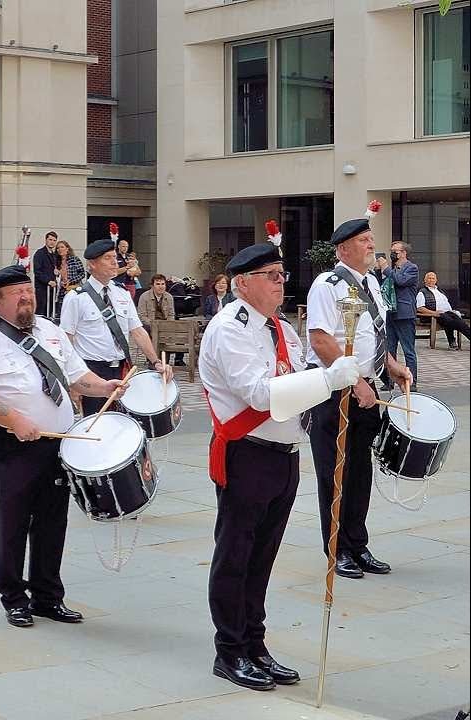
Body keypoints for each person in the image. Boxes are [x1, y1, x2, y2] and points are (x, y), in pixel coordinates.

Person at [199, 243, 360, 691]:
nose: (280, 281)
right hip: (247, 453)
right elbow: (260, 394)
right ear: (242, 283)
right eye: (270, 274)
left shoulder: (281, 327)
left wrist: (336, 377)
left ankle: (255, 643)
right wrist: (328, 379)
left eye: (281, 273)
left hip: (283, 453)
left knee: (263, 557)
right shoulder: (228, 328)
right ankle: (230, 650)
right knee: (236, 555)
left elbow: (298, 378)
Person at [0, 265, 126, 629]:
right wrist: (14, 419)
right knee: (14, 525)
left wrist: (105, 386)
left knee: (53, 523)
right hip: (11, 447)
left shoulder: (49, 331)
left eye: (29, 291)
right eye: (17, 293)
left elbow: (78, 376)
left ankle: (48, 597)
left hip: (57, 446)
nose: (26, 297)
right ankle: (15, 598)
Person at [305, 216, 412, 580]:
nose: (371, 245)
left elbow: (374, 337)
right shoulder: (327, 284)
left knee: (360, 472)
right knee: (336, 473)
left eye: (370, 239)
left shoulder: (371, 283)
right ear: (343, 248)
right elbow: (321, 340)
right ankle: (337, 550)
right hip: (335, 391)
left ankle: (357, 543)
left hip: (367, 386)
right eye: (364, 240)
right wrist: (354, 382)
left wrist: (392, 367)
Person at [59, 238, 172, 415]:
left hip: (121, 369)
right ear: (92, 264)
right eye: (107, 258)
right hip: (92, 371)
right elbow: (66, 340)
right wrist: (72, 380)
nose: (114, 262)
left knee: (123, 423)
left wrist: (156, 361)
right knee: (97, 423)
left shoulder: (122, 293)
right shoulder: (76, 297)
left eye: (115, 257)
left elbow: (138, 331)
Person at [382, 241, 419, 390]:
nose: (393, 254)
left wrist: (385, 269)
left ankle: (412, 381)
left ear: (403, 253)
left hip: (404, 314)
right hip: (390, 312)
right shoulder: (393, 268)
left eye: (395, 251)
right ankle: (390, 381)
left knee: (408, 349)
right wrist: (381, 270)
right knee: (390, 349)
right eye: (391, 251)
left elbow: (400, 281)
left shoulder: (411, 268)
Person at [136, 274, 185, 366]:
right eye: (158, 284)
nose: (161, 286)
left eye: (163, 284)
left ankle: (177, 359)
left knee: (180, 331)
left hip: (165, 324)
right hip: (150, 324)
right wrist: (153, 324)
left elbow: (171, 314)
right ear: (152, 285)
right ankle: (152, 359)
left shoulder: (169, 297)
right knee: (149, 331)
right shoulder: (144, 296)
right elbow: (142, 316)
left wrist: (167, 324)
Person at [417, 271, 469, 348]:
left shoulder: (440, 292)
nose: (431, 280)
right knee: (450, 320)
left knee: (459, 320)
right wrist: (434, 313)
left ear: (436, 280)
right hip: (433, 315)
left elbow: (446, 304)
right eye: (429, 278)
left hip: (447, 313)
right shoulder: (422, 293)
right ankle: (452, 341)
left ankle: (452, 341)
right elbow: (420, 308)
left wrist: (452, 311)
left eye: (433, 278)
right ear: (425, 280)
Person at [32, 231, 60, 318]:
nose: (52, 242)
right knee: (41, 313)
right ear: (46, 240)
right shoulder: (39, 253)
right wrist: (48, 281)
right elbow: (37, 272)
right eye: (50, 239)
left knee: (51, 313)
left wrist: (57, 272)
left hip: (52, 289)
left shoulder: (55, 254)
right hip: (42, 289)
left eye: (54, 240)